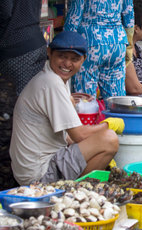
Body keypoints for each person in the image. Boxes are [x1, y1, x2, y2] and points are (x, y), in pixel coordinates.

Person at [9, 31, 124, 185]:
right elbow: (79, 136)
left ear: (83, 60)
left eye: (74, 59)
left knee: (101, 142)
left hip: (40, 167)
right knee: (109, 139)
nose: (67, 64)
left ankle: (79, 190)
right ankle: (77, 191)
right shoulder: (51, 82)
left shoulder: (56, 78)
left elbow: (68, 138)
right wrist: (108, 124)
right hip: (39, 175)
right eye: (62, 56)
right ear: (49, 53)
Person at [64, 0, 134, 99]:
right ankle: (118, 114)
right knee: (116, 99)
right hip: (117, 43)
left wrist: (66, 46)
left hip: (90, 42)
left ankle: (87, 114)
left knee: (85, 99)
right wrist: (129, 46)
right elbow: (129, 15)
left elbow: (74, 17)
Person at [0, 0, 47, 95]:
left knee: (19, 100)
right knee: (35, 96)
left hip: (17, 47)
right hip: (37, 42)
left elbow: (5, 12)